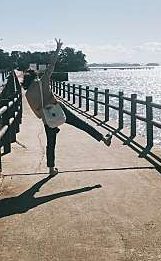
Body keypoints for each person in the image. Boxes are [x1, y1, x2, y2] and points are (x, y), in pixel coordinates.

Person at [22, 38, 112, 176]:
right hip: (59, 109)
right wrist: (58, 49)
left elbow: (38, 114)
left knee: (50, 144)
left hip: (47, 119)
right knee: (82, 124)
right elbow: (52, 65)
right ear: (35, 76)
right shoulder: (42, 82)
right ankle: (103, 139)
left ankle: (51, 170)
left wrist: (46, 113)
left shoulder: (27, 94)